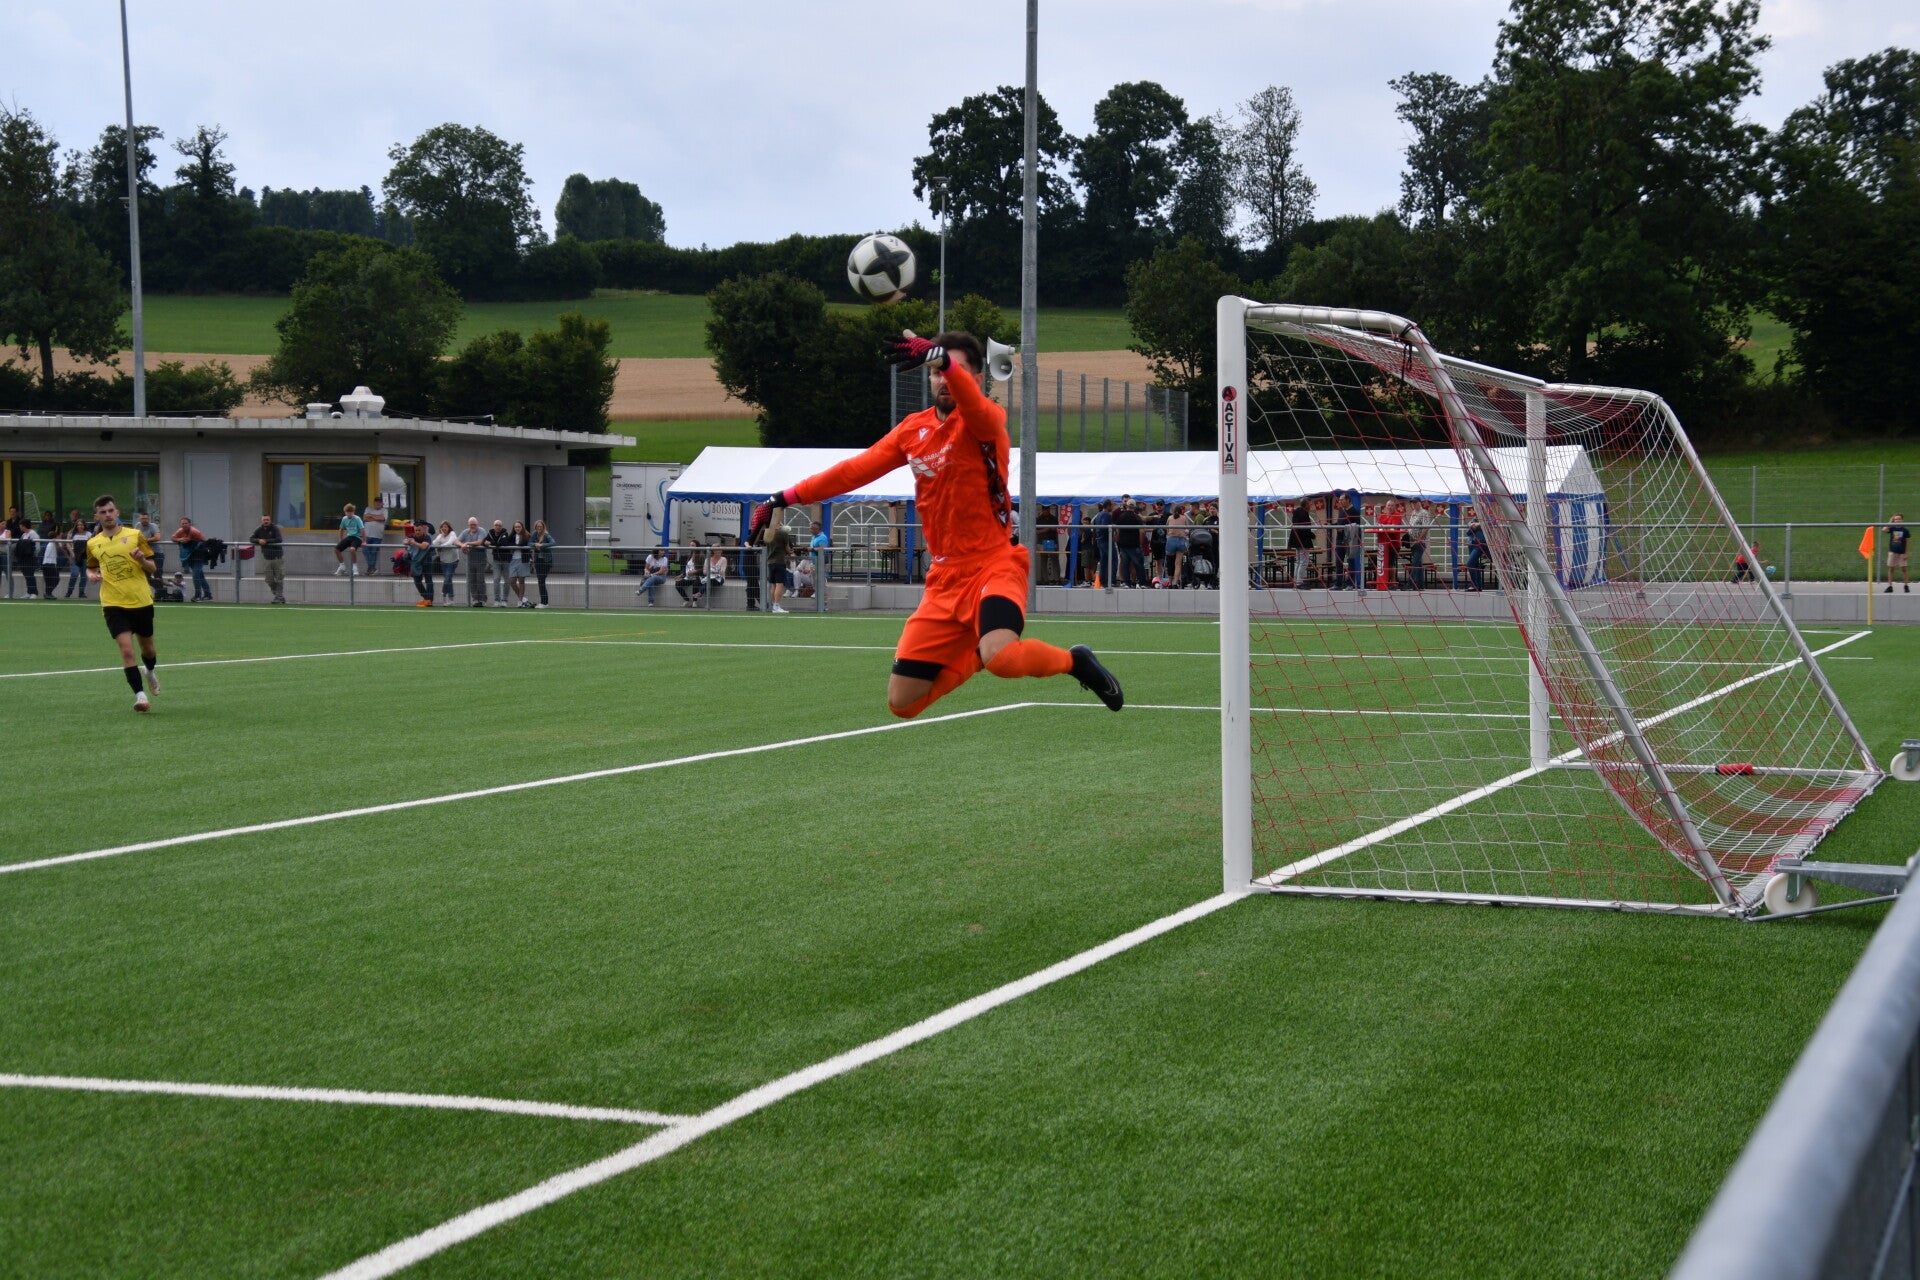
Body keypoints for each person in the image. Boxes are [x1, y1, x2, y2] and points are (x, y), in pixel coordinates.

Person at [746, 329, 1123, 719]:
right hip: (943, 579)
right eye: (936, 371)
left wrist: (943, 360)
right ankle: (977, 655)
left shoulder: (985, 420)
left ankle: (1074, 661)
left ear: (978, 378)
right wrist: (782, 497)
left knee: (1004, 657)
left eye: (953, 369)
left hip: (994, 564)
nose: (944, 378)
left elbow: (975, 407)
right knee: (903, 702)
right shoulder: (913, 430)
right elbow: (853, 471)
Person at [85, 495, 162, 712]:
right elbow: (90, 567)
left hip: (140, 600)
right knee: (127, 651)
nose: (108, 515)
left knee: (148, 649)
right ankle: (140, 697)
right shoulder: (93, 543)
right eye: (103, 512)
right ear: (97, 516)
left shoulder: (135, 535)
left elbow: (152, 568)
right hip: (113, 604)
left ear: (117, 513)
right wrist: (91, 575)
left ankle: (149, 671)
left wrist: (141, 560)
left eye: (111, 511)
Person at [250, 514, 287, 604]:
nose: (266, 521)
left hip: (277, 558)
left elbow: (279, 539)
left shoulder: (275, 529)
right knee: (269, 579)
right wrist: (258, 541)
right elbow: (251, 538)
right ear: (262, 521)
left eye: (267, 520)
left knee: (279, 578)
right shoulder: (259, 529)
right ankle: (279, 596)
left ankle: (278, 597)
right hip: (267, 558)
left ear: (270, 520)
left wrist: (265, 541)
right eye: (264, 520)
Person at [172, 516, 211, 601]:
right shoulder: (180, 530)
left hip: (200, 554)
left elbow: (187, 540)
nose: (184, 525)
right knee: (200, 576)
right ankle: (208, 595)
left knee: (196, 575)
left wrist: (182, 540)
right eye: (182, 523)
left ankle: (198, 596)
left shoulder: (193, 531)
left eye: (186, 523)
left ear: (189, 524)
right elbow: (173, 537)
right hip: (191, 555)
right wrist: (180, 539)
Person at [763, 518, 794, 613]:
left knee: (773, 585)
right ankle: (776, 606)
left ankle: (774, 606)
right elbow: (787, 548)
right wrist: (791, 552)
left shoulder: (767, 533)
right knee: (780, 584)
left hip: (770, 561)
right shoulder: (783, 533)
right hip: (780, 561)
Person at [457, 516, 489, 606]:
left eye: (474, 524)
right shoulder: (465, 532)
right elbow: (456, 541)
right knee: (472, 580)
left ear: (477, 524)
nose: (473, 526)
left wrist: (467, 543)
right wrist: (462, 545)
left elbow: (479, 542)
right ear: (468, 525)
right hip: (470, 560)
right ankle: (475, 599)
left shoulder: (481, 530)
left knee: (480, 580)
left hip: (481, 560)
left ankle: (482, 599)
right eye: (471, 524)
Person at [407, 520, 437, 606]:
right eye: (416, 530)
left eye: (419, 530)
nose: (417, 532)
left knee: (429, 581)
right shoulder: (412, 535)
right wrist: (408, 541)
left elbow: (424, 546)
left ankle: (429, 600)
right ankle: (427, 599)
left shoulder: (427, 537)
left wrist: (414, 542)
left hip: (427, 562)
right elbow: (404, 541)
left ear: (423, 530)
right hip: (416, 563)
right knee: (417, 581)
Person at [504, 520, 533, 607]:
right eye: (515, 527)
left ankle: (520, 601)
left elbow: (526, 545)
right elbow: (506, 543)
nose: (517, 528)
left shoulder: (527, 536)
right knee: (512, 581)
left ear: (522, 527)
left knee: (521, 581)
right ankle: (523, 599)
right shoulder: (511, 536)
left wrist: (517, 546)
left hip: (522, 560)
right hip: (513, 560)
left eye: (519, 527)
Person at [1376, 500, 1404, 589]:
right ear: (1386, 507)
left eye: (1392, 505)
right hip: (1382, 544)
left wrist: (1384, 526)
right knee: (1383, 564)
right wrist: (1386, 526)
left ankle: (1392, 583)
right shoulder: (1382, 515)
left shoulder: (1397, 515)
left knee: (1390, 563)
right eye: (1388, 505)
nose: (1390, 507)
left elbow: (1393, 527)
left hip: (1394, 543)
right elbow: (1378, 526)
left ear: (1395, 507)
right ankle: (1384, 581)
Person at [1287, 500, 1316, 587]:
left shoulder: (1296, 513)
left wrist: (1290, 543)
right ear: (1306, 505)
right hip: (1304, 542)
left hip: (1297, 541)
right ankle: (1299, 582)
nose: (1310, 506)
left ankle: (1297, 581)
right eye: (1309, 504)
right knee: (1303, 562)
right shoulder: (1304, 513)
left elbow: (1297, 528)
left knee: (1299, 561)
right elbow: (1304, 528)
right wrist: (1312, 535)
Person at [1404, 500, 1432, 590]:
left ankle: (1410, 584)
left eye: (1415, 502)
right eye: (1412, 503)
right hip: (1412, 541)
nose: (1414, 504)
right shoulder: (1413, 512)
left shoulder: (1424, 513)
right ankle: (1420, 585)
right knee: (1418, 564)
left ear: (1419, 503)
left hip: (1419, 542)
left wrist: (1420, 538)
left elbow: (1426, 527)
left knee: (1415, 563)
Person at [485, 519, 513, 606]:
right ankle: (497, 600)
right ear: (493, 526)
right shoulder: (490, 533)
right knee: (496, 579)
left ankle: (504, 600)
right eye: (496, 525)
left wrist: (490, 543)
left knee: (507, 581)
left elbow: (501, 543)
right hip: (496, 560)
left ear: (501, 527)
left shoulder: (505, 533)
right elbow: (484, 541)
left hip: (506, 560)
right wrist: (486, 543)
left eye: (499, 525)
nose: (498, 527)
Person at [64, 514, 92, 598]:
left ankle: (81, 592)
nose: (80, 526)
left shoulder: (88, 534)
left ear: (84, 525)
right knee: (75, 573)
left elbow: (91, 544)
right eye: (78, 525)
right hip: (75, 556)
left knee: (84, 575)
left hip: (84, 556)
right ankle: (69, 591)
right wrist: (72, 553)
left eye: (81, 525)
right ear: (76, 525)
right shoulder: (72, 533)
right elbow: (67, 543)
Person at [332, 504, 364, 575]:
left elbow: (362, 529)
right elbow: (341, 529)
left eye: (351, 512)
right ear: (345, 512)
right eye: (347, 512)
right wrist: (341, 540)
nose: (349, 514)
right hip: (349, 537)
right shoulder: (344, 519)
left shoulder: (357, 518)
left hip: (357, 537)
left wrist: (364, 541)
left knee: (352, 549)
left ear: (353, 512)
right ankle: (342, 566)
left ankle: (355, 568)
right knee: (337, 549)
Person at [530, 519, 556, 608]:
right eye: (538, 526)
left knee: (541, 581)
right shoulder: (534, 534)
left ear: (543, 527)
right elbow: (529, 543)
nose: (539, 528)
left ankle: (544, 602)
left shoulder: (546, 535)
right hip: (538, 561)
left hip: (546, 561)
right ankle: (544, 602)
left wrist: (542, 545)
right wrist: (535, 544)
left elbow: (553, 543)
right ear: (535, 527)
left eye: (540, 526)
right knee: (540, 581)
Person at [360, 497, 388, 576]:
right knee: (365, 550)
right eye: (376, 502)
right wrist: (377, 517)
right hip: (366, 534)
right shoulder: (368, 508)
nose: (378, 503)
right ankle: (372, 568)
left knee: (373, 552)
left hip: (377, 536)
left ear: (382, 503)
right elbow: (365, 518)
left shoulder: (384, 510)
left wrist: (371, 516)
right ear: (374, 502)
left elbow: (382, 518)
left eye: (379, 502)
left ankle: (370, 569)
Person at [1886, 515, 1909, 593]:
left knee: (1904, 569)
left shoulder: (1905, 530)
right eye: (1896, 519)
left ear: (1902, 520)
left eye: (1899, 519)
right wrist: (1890, 520)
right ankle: (1890, 586)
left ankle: (1906, 585)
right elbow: (1884, 529)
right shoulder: (1892, 529)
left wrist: (1906, 553)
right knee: (1891, 569)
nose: (1898, 520)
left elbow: (1907, 542)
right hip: (1893, 552)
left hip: (1902, 552)